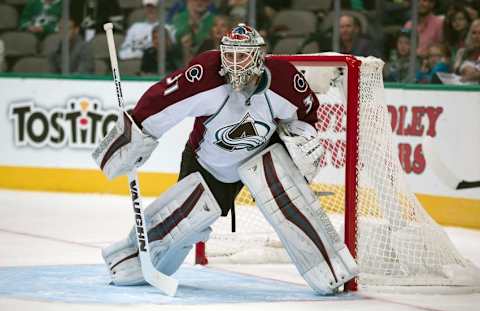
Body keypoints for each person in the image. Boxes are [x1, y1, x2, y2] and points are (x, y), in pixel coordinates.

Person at [93, 24, 358, 294]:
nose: (232, 64)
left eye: (241, 56)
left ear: (258, 56)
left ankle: (331, 268)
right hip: (206, 166)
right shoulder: (205, 76)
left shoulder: (284, 80)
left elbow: (305, 115)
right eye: (228, 55)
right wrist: (135, 135)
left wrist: (303, 139)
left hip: (258, 158)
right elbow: (162, 100)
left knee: (290, 199)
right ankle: (129, 260)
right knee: (186, 228)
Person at [169, 0, 217, 68]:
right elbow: (178, 37)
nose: (199, 2)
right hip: (180, 63)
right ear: (188, 1)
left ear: (208, 2)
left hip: (207, 63)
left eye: (204, 1)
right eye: (195, 0)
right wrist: (190, 25)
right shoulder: (179, 18)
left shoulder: (214, 19)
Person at [453, 18, 480, 83]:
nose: (476, 36)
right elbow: (455, 71)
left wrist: (474, 75)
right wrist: (461, 70)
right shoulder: (461, 52)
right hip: (462, 87)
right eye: (474, 33)